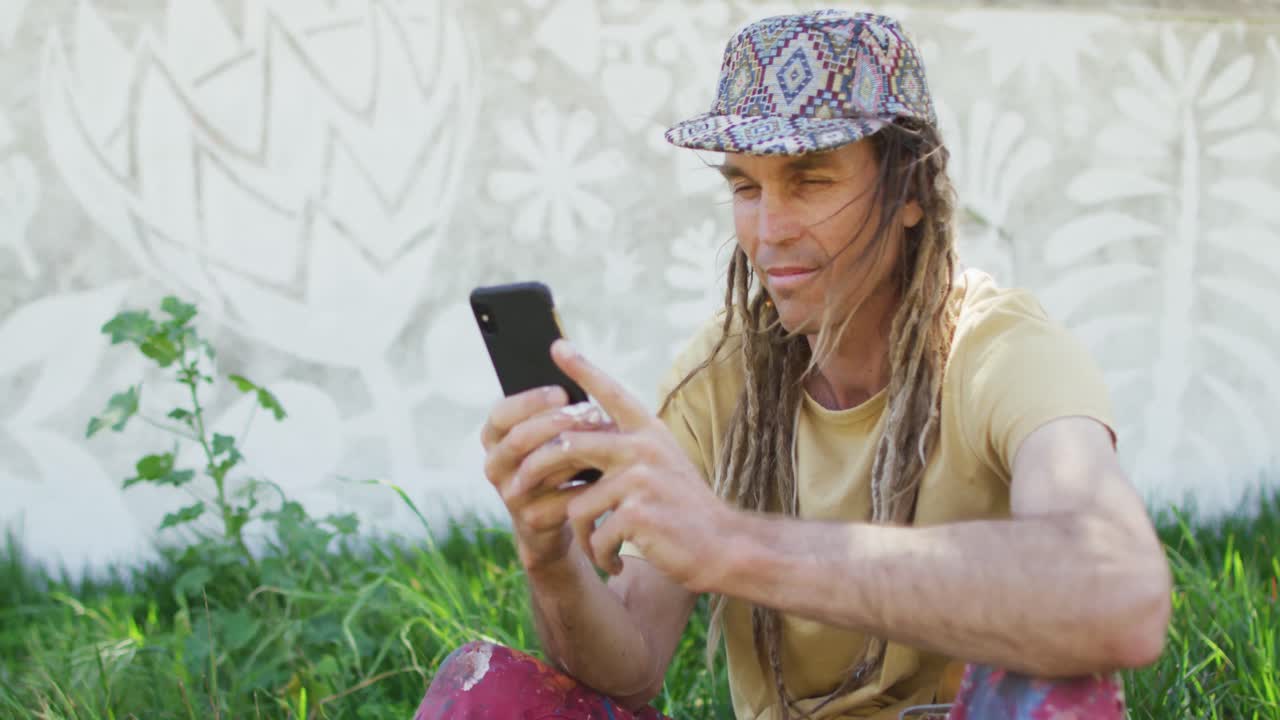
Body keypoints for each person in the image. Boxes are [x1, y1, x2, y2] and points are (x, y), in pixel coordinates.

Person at [415, 9, 1172, 720]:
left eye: (810, 179)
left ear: (910, 188)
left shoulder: (1001, 350)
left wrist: (732, 544)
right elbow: (634, 662)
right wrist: (549, 556)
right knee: (490, 690)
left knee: (1052, 672)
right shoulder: (719, 374)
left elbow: (1121, 595)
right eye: (745, 186)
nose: (769, 229)